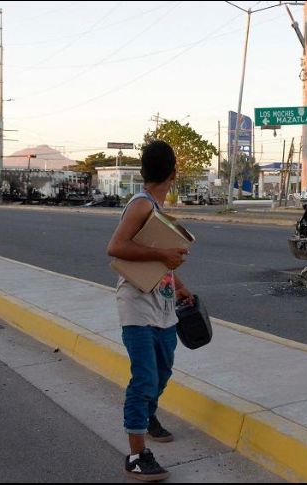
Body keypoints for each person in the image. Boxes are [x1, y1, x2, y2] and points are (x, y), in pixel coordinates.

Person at [107, 140, 194, 482]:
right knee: (144, 378)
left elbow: (159, 255)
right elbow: (115, 248)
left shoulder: (156, 208)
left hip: (164, 304)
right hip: (137, 306)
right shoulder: (141, 206)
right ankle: (136, 455)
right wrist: (163, 258)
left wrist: (180, 284)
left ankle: (148, 416)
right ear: (173, 174)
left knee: (162, 372)